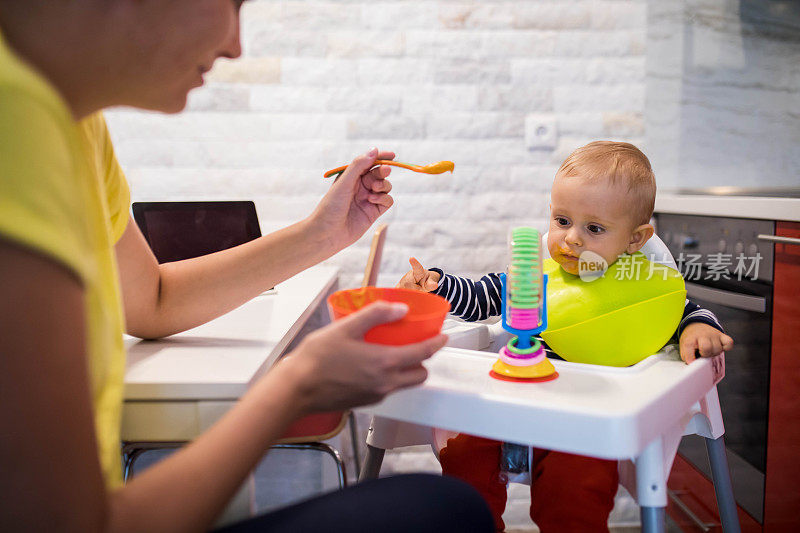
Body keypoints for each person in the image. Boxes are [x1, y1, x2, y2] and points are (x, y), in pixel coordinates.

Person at [0, 1, 494, 531]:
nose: (235, 44)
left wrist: (320, 234)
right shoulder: (17, 121)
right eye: (231, 4)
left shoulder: (76, 124)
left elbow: (152, 301)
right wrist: (298, 384)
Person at [397, 141, 734, 532]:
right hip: (523, 402)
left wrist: (700, 327)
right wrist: (438, 286)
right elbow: (483, 297)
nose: (571, 239)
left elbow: (684, 310)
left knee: (575, 489)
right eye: (561, 221)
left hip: (589, 417)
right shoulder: (537, 277)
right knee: (464, 454)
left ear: (635, 239)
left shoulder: (641, 284)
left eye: (593, 228)